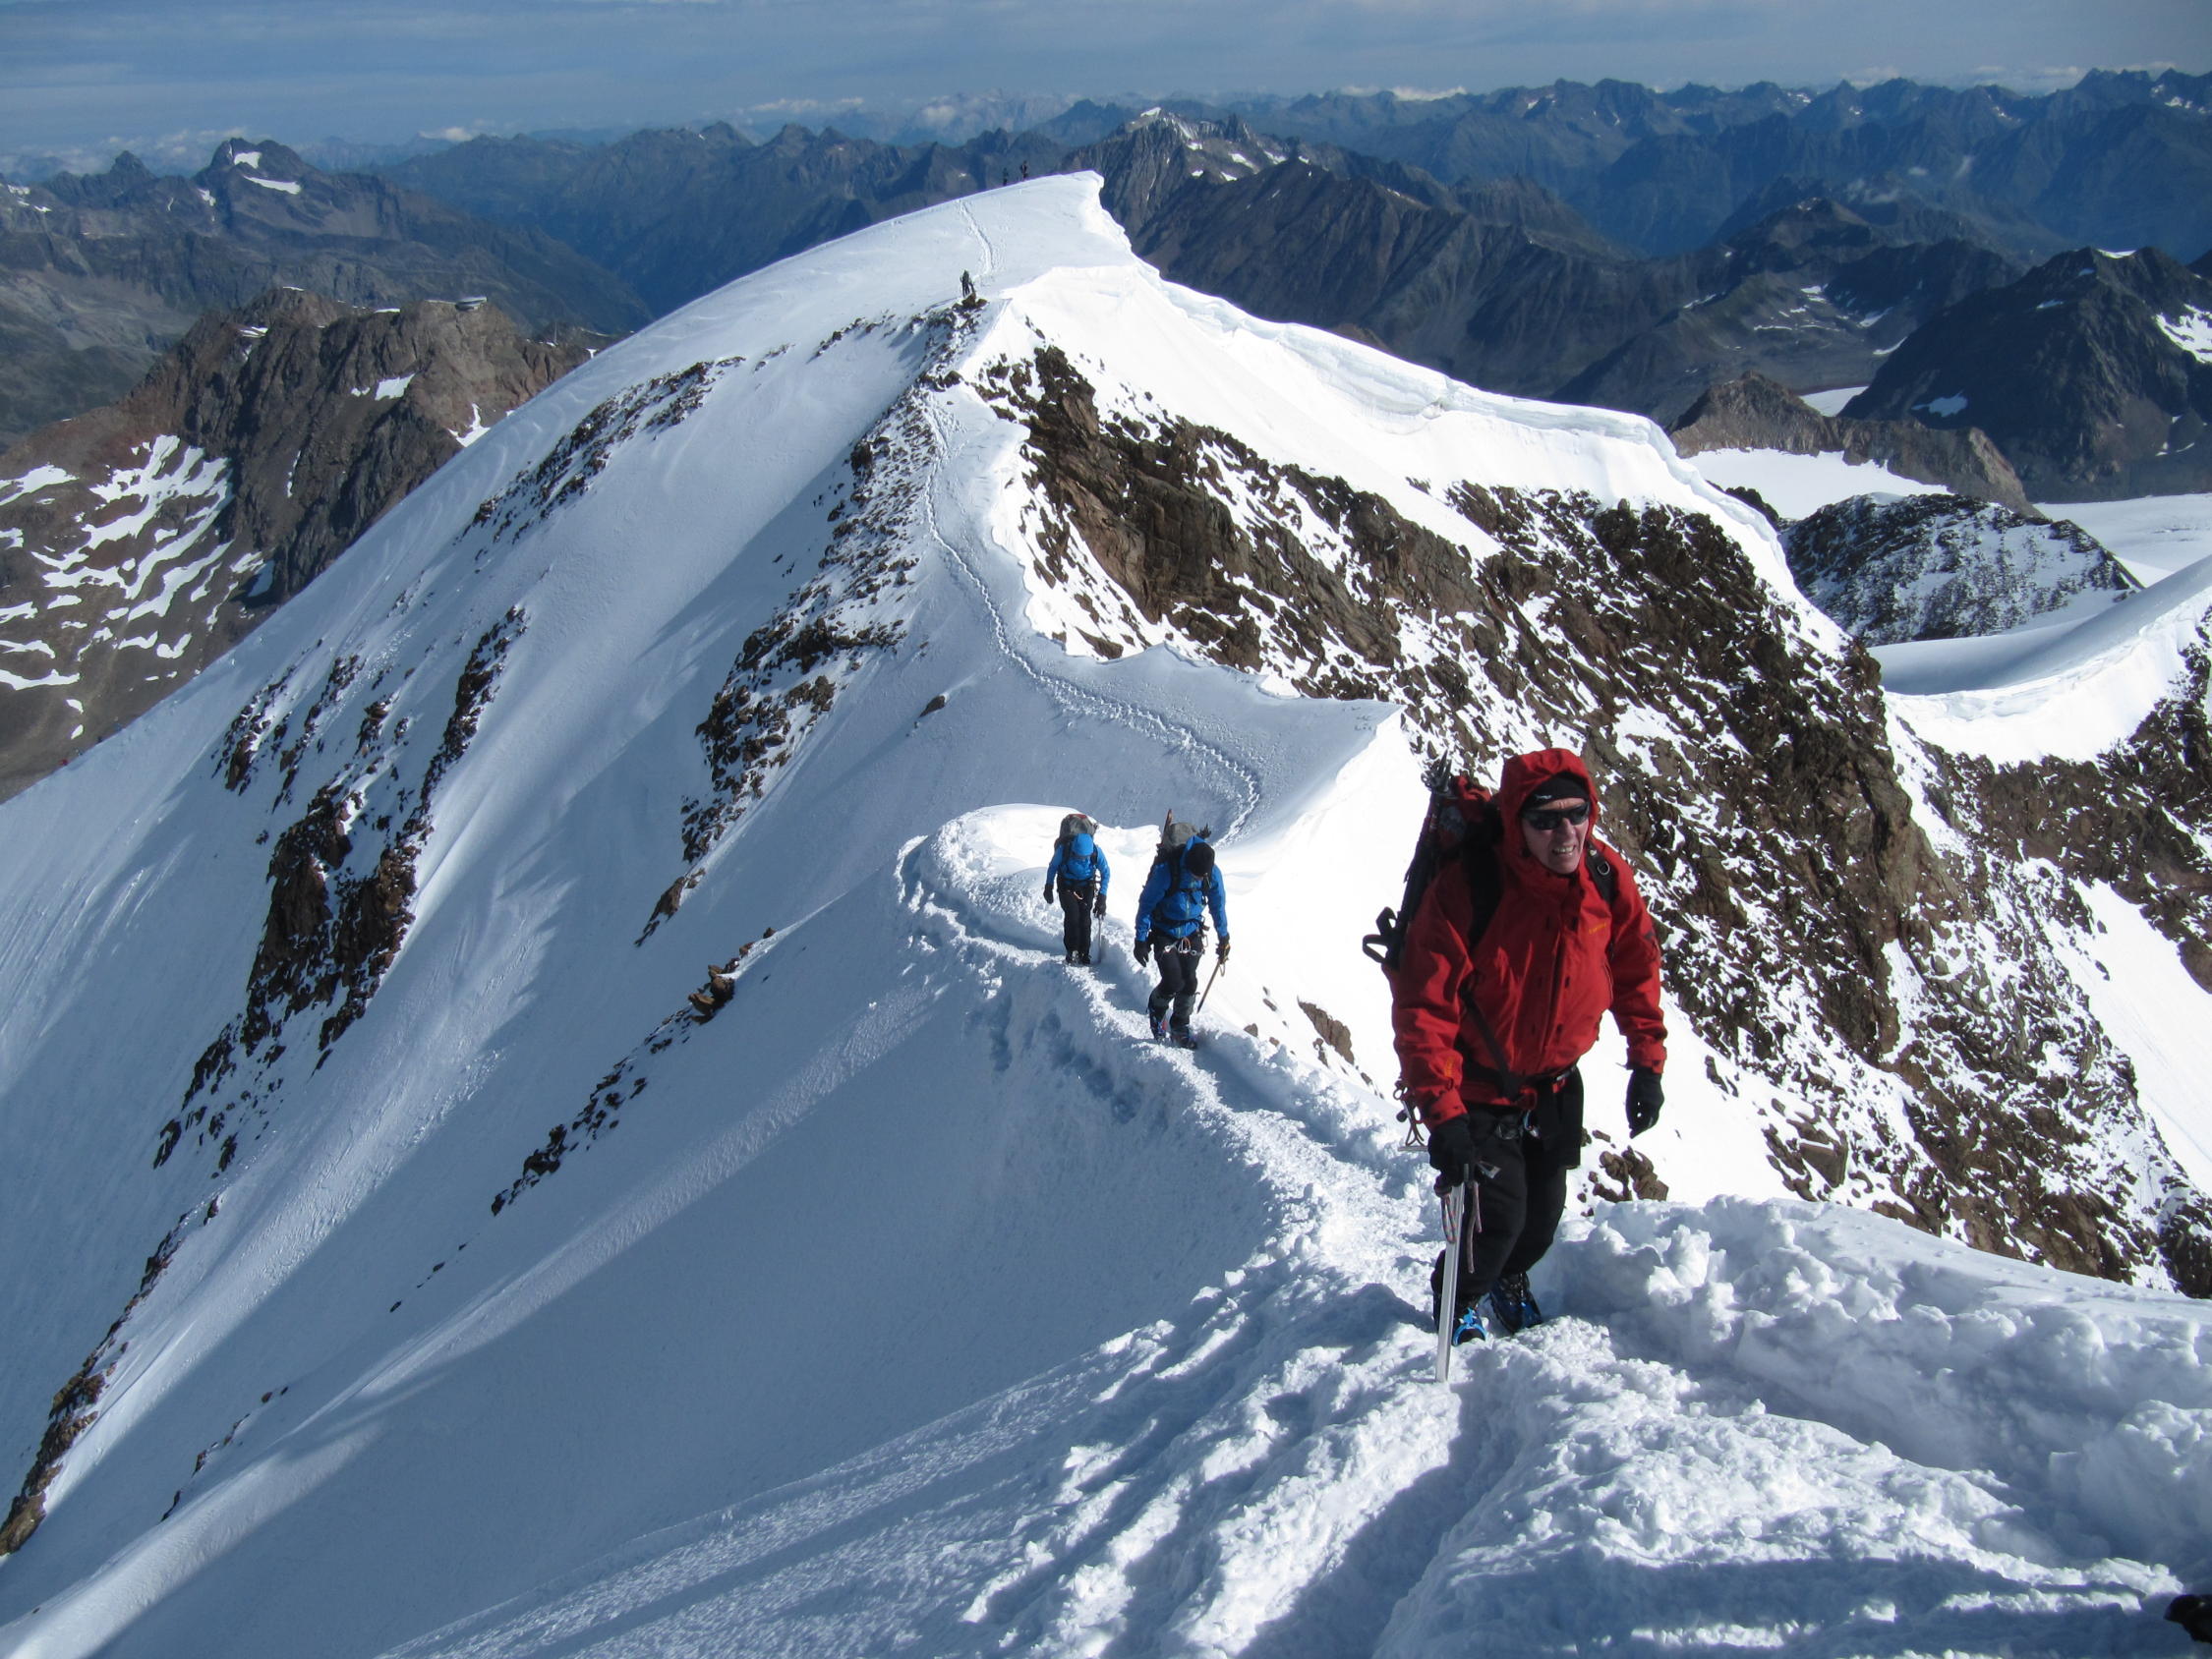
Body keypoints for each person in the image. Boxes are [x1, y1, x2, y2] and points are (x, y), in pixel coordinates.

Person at [1391, 748, 1665, 1344]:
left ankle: (1508, 1279)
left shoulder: (1605, 879)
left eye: (1577, 814)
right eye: (1545, 819)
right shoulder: (1471, 888)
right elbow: (1425, 1008)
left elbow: (1637, 967)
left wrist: (1647, 1062)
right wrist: (1443, 1114)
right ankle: (1458, 1298)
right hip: (1477, 1085)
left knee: (1541, 1219)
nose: (1565, 833)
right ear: (1517, 823)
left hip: (1555, 1084)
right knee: (1498, 1217)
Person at [1133, 825, 1229, 1047]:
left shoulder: (1211, 873)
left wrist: (1224, 937)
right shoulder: (1168, 871)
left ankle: (1180, 1024)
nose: (1199, 879)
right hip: (1164, 931)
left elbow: (1218, 905)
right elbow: (1146, 905)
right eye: (1196, 874)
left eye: (1202, 875)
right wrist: (1140, 939)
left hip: (1192, 930)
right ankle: (1157, 1009)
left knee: (1189, 980)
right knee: (1173, 980)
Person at [1043, 815, 1110, 966]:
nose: (1082, 859)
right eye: (1079, 856)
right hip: (1066, 885)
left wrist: (1102, 897)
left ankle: (1084, 952)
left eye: (1085, 857)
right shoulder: (1064, 850)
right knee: (1073, 916)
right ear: (1073, 850)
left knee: (1085, 919)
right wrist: (1049, 886)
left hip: (1086, 885)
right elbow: (1053, 867)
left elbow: (1106, 872)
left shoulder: (1096, 852)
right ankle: (1072, 950)